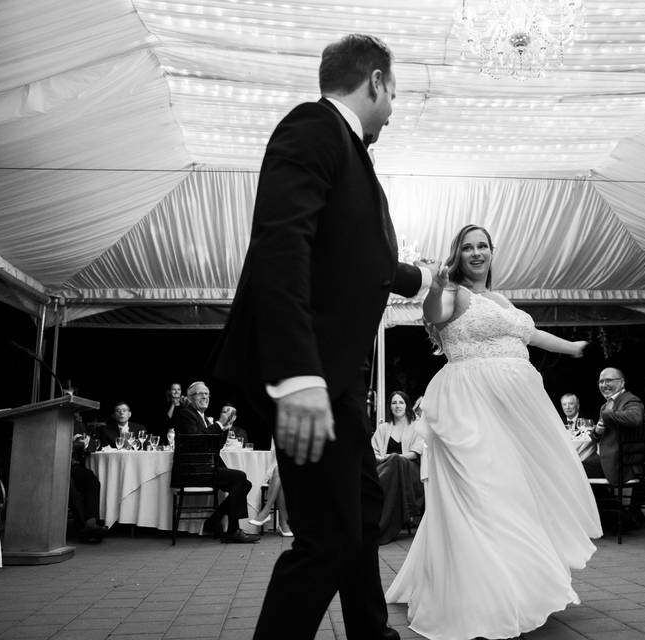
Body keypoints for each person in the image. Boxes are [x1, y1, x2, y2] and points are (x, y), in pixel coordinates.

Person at [207, 33, 434, 640]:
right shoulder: (311, 127)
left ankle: (370, 631)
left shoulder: (352, 152)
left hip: (333, 377)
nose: (393, 107)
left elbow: (359, 256)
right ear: (377, 82)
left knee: (360, 513)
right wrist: (297, 374)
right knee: (329, 536)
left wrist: (422, 278)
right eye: (394, 93)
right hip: (304, 371)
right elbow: (282, 248)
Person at [385, 224, 601, 640]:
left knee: (512, 493)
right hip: (467, 403)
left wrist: (574, 348)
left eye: (483, 245)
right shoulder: (453, 291)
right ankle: (478, 595)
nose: (477, 252)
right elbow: (434, 316)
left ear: (491, 251)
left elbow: (531, 334)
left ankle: (517, 586)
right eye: (468, 247)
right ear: (458, 254)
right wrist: (435, 287)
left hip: (514, 411)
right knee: (479, 492)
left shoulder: (501, 299)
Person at [174, 382, 259, 544]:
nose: (205, 397)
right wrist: (219, 423)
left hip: (206, 468)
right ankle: (233, 530)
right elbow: (197, 441)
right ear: (191, 397)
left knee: (244, 483)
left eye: (207, 394)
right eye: (200, 394)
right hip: (193, 472)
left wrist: (225, 428)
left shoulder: (203, 417)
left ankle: (214, 521)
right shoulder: (186, 414)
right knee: (240, 478)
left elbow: (215, 446)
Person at [371, 390, 424, 544]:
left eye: (401, 402)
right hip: (385, 468)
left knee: (394, 460)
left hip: (410, 473)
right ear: (390, 406)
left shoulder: (416, 426)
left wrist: (392, 457)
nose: (397, 405)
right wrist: (381, 458)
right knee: (389, 465)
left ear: (407, 405)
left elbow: (416, 453)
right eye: (394, 402)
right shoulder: (383, 428)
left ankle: (381, 527)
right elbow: (372, 451)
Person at [581, 367, 645, 484]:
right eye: (601, 382)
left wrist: (607, 415)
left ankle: (608, 502)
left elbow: (636, 418)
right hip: (606, 458)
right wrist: (597, 432)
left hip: (620, 462)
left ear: (621, 382)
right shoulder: (606, 405)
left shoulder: (630, 400)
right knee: (574, 466)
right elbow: (596, 436)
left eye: (608, 380)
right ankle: (608, 502)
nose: (604, 385)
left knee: (576, 470)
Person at [69, 435, 108, 543]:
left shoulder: (78, 423)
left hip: (75, 467)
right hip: (58, 464)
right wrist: (74, 444)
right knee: (70, 486)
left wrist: (86, 444)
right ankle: (86, 526)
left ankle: (91, 522)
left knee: (91, 480)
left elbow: (93, 447)